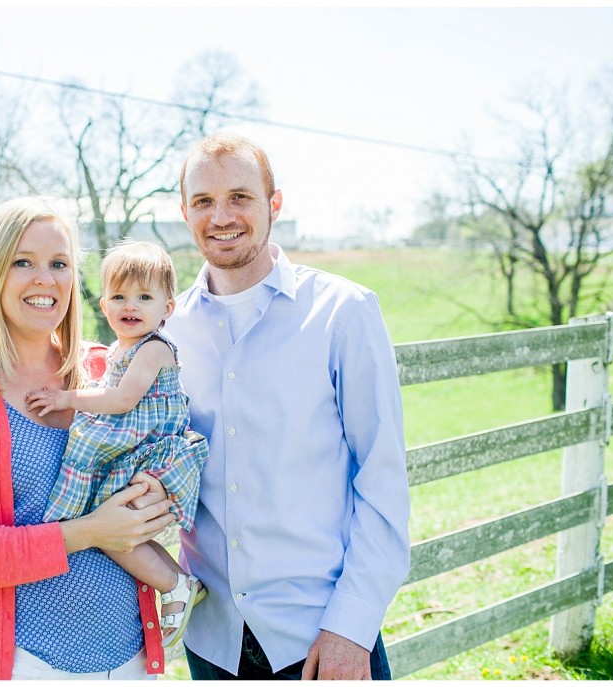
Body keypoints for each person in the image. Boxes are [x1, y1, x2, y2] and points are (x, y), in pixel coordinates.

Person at [162, 132, 411, 680]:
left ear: (274, 203)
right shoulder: (167, 331)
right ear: (185, 212)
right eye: (203, 201)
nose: (221, 215)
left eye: (240, 197)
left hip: (322, 637)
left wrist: (353, 626)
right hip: (213, 641)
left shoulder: (343, 314)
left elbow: (383, 481)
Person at [0, 197, 178, 680]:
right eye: (22, 262)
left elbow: (164, 438)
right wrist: (89, 532)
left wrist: (157, 487)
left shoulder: (105, 369)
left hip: (134, 658)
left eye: (59, 263)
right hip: (26, 664)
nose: (45, 279)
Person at [25, 240, 210, 648]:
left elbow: (123, 400)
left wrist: (66, 398)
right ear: (104, 305)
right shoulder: (119, 348)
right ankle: (180, 583)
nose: (131, 305)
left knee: (108, 522)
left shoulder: (154, 348)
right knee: (115, 526)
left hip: (149, 450)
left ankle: (171, 584)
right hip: (130, 447)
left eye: (145, 296)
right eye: (120, 296)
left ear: (167, 309)